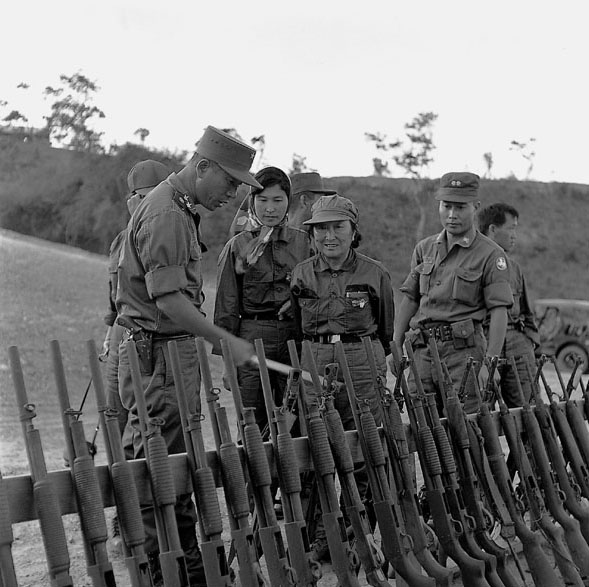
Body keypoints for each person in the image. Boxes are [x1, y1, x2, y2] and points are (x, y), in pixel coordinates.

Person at [116, 126, 261, 586]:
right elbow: (171, 303)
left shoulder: (175, 206)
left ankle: (176, 569)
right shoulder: (166, 213)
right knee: (163, 469)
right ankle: (172, 573)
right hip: (158, 357)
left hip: (164, 354)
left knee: (169, 464)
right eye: (231, 182)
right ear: (202, 167)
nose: (234, 194)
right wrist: (225, 342)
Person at [290, 194, 395, 560]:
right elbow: (293, 325)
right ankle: (322, 538)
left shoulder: (375, 273)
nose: (329, 236)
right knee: (316, 448)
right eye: (321, 229)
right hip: (313, 360)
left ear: (354, 231)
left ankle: (358, 534)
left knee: (365, 447)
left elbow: (385, 329)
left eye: (337, 227)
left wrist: (372, 358)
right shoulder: (301, 273)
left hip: (362, 359)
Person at [393, 172, 514, 415]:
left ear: (475, 207)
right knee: (423, 426)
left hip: (464, 355)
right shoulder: (425, 248)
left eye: (460, 207)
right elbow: (410, 298)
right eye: (446, 206)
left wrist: (489, 363)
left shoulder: (491, 254)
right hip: (423, 350)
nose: (452, 214)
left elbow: (499, 312)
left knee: (466, 430)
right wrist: (395, 343)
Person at [213, 166, 313, 431]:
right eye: (263, 200)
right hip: (251, 339)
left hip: (295, 339)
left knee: (295, 420)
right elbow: (226, 308)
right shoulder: (237, 246)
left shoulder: (305, 244)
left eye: (278, 200)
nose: (270, 208)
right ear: (252, 201)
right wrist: (227, 364)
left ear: (288, 202)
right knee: (252, 425)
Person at [101, 159, 170, 440]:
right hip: (121, 328)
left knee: (143, 414)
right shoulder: (121, 239)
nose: (146, 203)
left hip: (149, 332)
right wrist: (109, 332)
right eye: (141, 197)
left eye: (152, 196)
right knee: (112, 409)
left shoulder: (168, 230)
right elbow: (114, 290)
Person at [478, 202, 539, 406]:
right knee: (480, 413)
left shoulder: (514, 268)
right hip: (483, 340)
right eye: (511, 228)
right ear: (493, 229)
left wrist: (530, 343)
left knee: (528, 411)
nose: (515, 235)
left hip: (517, 344)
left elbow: (527, 312)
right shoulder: (469, 263)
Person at [228, 170, 336, 236]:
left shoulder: (317, 237)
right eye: (320, 200)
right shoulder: (266, 239)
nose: (324, 206)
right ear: (305, 200)